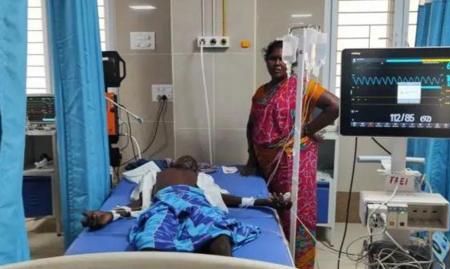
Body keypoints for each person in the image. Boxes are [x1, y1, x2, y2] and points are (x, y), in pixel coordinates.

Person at [241, 40, 339, 269]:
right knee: (273, 211)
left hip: (293, 161)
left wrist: (305, 130)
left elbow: (335, 106)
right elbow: (251, 125)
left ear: (291, 62)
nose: (277, 63)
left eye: (282, 59)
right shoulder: (261, 92)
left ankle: (300, 264)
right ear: (266, 61)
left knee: (296, 215)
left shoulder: (302, 86)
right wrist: (252, 158)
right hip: (267, 164)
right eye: (272, 58)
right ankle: (277, 260)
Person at [82, 155, 291, 256]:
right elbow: (138, 203)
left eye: (193, 163)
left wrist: (264, 201)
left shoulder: (199, 177)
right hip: (164, 203)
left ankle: (221, 260)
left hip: (196, 203)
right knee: (152, 234)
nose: (190, 163)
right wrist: (110, 215)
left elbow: (225, 198)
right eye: (186, 160)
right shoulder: (155, 174)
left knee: (217, 230)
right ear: (172, 163)